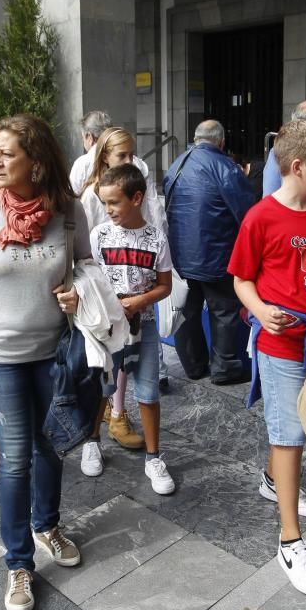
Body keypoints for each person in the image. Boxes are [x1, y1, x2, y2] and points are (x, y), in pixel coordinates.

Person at [0, 113, 88, 610]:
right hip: (0, 353)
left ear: (36, 159)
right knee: (13, 459)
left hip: (54, 351)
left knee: (49, 445)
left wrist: (80, 292)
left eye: (7, 152)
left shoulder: (68, 213)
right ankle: (17, 563)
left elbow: (89, 266)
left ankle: (47, 523)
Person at [229, 120, 306, 597]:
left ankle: (275, 480)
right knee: (289, 432)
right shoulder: (261, 218)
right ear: (297, 167)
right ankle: (290, 540)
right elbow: (241, 278)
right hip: (281, 341)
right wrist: (260, 312)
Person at [82, 163, 175, 493]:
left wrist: (140, 301)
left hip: (143, 326)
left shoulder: (155, 239)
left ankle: (153, 457)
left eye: (114, 202)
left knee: (148, 392)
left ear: (136, 198)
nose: (108, 210)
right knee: (102, 386)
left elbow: (165, 285)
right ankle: (91, 441)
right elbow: (89, 275)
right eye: (104, 203)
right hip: (107, 328)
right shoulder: (99, 235)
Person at [163, 119, 255, 384]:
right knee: (224, 311)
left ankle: (193, 366)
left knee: (185, 311)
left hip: (181, 257)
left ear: (196, 138)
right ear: (222, 141)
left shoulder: (176, 164)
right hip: (217, 256)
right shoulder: (226, 167)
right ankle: (224, 369)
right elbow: (246, 212)